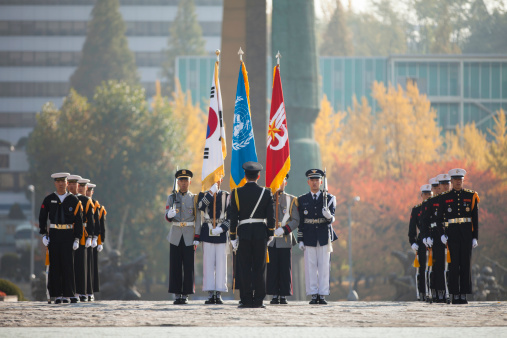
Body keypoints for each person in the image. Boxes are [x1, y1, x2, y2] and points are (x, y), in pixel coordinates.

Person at [229, 162, 275, 308]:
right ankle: (259, 300)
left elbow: (233, 216)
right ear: (258, 176)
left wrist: (232, 236)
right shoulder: (266, 193)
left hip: (243, 233)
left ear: (245, 176)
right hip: (260, 233)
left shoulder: (236, 193)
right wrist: (270, 233)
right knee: (259, 267)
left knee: (244, 267)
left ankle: (246, 298)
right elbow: (271, 216)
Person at [38, 172, 83, 304]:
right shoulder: (49, 199)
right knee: (55, 265)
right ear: (55, 183)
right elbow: (42, 217)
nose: (61, 184)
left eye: (63, 181)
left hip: (68, 234)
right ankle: (57, 295)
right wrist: (43, 234)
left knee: (68, 265)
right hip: (54, 234)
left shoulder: (73, 200)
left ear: (67, 183)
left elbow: (79, 220)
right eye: (58, 181)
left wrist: (77, 238)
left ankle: (68, 293)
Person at [437, 168, 480, 304]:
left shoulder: (471, 196)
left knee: (466, 264)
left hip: (466, 234)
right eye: (455, 180)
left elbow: (475, 218)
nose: (458, 182)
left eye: (460, 180)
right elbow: (439, 220)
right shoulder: (445, 198)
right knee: (454, 265)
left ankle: (463, 294)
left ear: (463, 181)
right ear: (452, 181)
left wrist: (475, 237)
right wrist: (442, 234)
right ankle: (455, 293)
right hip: (452, 234)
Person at [297, 169, 337, 305]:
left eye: (317, 180)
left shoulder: (330, 198)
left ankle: (323, 294)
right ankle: (313, 293)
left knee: (324, 266)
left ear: (321, 181)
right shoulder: (302, 200)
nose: (314, 183)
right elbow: (301, 221)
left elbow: (332, 218)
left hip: (323, 234)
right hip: (309, 235)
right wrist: (300, 239)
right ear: (308, 182)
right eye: (312, 180)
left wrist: (329, 216)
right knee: (311, 266)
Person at [165, 169, 200, 305]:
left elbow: (198, 219)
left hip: (189, 235)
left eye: (186, 180)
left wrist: (197, 235)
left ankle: (185, 293)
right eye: (181, 180)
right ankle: (176, 293)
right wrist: (169, 215)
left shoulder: (194, 198)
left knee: (188, 266)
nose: (183, 183)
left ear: (190, 182)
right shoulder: (172, 197)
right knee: (175, 265)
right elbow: (166, 214)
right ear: (178, 182)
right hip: (175, 234)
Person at [195, 179, 230, 304]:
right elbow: (200, 207)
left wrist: (222, 228)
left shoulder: (226, 195)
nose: (216, 182)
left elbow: (230, 216)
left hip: (220, 232)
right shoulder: (203, 195)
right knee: (208, 263)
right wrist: (210, 194)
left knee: (221, 263)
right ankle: (210, 293)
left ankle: (219, 292)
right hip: (207, 231)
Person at [267, 173, 299, 304]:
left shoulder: (291, 200)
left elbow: (296, 220)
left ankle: (283, 294)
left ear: (286, 182)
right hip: (271, 238)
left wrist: (285, 229)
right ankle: (274, 294)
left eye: (282, 180)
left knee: (285, 268)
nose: (280, 183)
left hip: (285, 238)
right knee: (272, 268)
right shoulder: (268, 199)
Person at [67, 174, 93, 303]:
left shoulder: (85, 200)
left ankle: (81, 291)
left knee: (80, 265)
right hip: (66, 233)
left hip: (81, 235)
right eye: (69, 184)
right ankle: (68, 291)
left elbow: (91, 220)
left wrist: (91, 237)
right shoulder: (65, 199)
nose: (72, 186)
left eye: (74, 184)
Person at [408, 184, 432, 301]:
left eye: (429, 194)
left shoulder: (436, 207)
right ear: (421, 195)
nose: (427, 196)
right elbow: (412, 229)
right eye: (425, 194)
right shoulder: (417, 209)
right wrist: (412, 242)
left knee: (436, 267)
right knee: (422, 269)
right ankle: (423, 292)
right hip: (422, 240)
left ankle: (436, 291)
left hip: (435, 239)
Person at [78, 178, 96, 301]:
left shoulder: (90, 202)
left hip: (85, 235)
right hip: (73, 233)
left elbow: (94, 222)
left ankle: (86, 291)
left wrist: (94, 237)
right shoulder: (73, 200)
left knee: (86, 265)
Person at [86, 182, 102, 301]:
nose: (88, 192)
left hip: (92, 239)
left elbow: (99, 224)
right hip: (82, 236)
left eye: (90, 190)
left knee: (91, 266)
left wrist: (99, 240)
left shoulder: (95, 205)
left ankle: (90, 290)